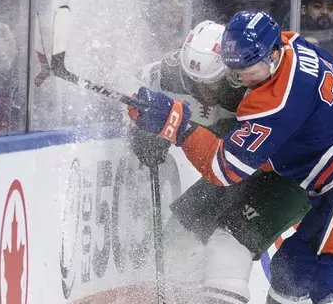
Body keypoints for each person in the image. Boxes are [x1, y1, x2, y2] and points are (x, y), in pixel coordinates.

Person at [127, 10, 333, 304]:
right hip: (320, 172)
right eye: (231, 70)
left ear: (271, 55)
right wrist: (141, 122)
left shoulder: (273, 101)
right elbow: (137, 84)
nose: (235, 79)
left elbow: (222, 168)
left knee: (332, 278)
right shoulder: (289, 43)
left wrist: (174, 126)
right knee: (290, 270)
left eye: (228, 77)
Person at [130, 20, 311, 304]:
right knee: (179, 234)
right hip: (231, 166)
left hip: (285, 172)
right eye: (195, 82)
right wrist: (142, 130)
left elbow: (228, 158)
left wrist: (173, 129)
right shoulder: (167, 71)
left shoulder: (260, 84)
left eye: (214, 82)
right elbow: (134, 96)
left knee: (229, 244)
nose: (205, 92)